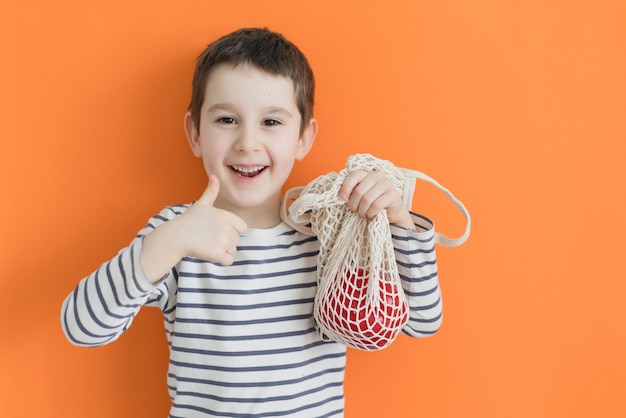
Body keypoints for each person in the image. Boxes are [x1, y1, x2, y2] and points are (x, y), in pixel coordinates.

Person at [61, 27, 442, 417]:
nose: (247, 142)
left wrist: (397, 221)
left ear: (303, 138)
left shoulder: (328, 234)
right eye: (227, 119)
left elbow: (422, 322)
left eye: (271, 123)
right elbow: (82, 326)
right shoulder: (179, 231)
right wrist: (169, 242)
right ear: (194, 134)